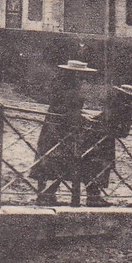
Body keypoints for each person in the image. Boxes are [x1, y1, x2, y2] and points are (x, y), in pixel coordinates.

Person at [31, 58, 95, 205]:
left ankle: (46, 194)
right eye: (82, 75)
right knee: (64, 160)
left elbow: (64, 109)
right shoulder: (73, 91)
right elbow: (70, 113)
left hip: (52, 127)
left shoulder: (60, 87)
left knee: (50, 160)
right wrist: (84, 120)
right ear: (75, 75)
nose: (84, 79)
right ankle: (48, 194)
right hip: (63, 130)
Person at [82, 84, 132, 206]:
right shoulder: (126, 110)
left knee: (93, 165)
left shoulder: (113, 104)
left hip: (96, 136)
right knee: (100, 166)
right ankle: (93, 197)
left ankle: (92, 196)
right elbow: (123, 132)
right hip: (103, 139)